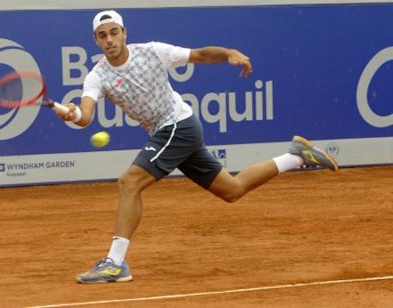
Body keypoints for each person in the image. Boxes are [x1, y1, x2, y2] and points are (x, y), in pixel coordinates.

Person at [54, 10, 338, 284]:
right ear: (96, 40)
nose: (109, 40)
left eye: (114, 33)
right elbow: (86, 115)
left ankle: (115, 263)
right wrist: (73, 114)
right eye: (102, 35)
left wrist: (227, 53)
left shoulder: (152, 51)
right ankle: (296, 157)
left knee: (130, 183)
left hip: (178, 125)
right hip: (169, 133)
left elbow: (200, 54)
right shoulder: (97, 76)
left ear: (124, 33)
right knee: (232, 189)